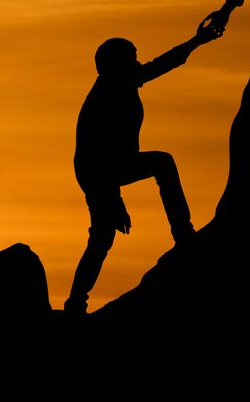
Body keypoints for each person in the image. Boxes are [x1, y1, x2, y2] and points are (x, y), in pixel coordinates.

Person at [65, 27, 219, 315]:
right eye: (132, 57)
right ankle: (182, 233)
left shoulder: (120, 83)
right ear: (117, 63)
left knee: (102, 237)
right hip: (97, 172)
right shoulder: (109, 90)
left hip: (105, 169)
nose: (138, 62)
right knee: (103, 235)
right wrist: (114, 200)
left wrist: (197, 41)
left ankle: (76, 302)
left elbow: (159, 65)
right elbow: (94, 157)